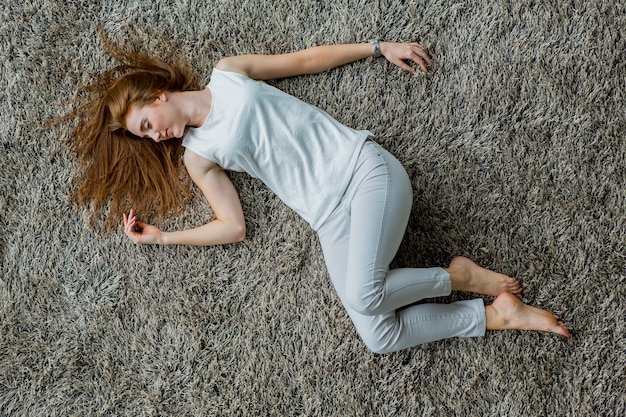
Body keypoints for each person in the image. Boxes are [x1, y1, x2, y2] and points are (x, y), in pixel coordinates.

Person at [69, 31, 569, 354]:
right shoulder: (197, 157)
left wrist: (376, 48)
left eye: (147, 123)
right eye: (144, 136)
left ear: (157, 95)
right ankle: (496, 315)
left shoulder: (228, 73)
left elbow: (306, 61)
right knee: (378, 335)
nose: (155, 136)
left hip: (363, 170)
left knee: (363, 294)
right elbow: (233, 226)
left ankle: (459, 276)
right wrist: (162, 239)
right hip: (328, 219)